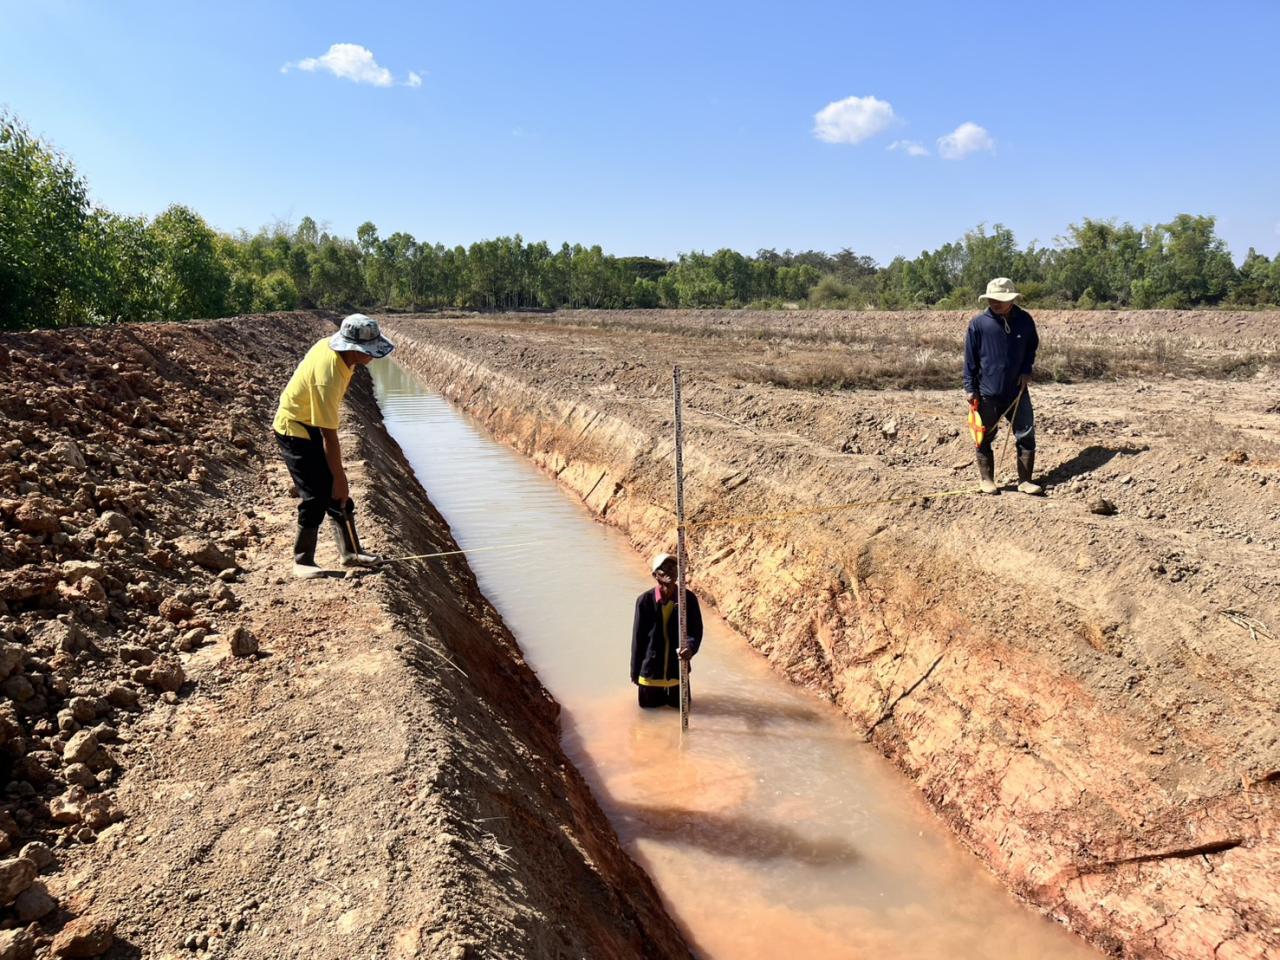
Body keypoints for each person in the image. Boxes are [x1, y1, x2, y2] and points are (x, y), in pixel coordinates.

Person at [272, 314, 395, 578]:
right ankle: (302, 560)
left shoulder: (341, 356)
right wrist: (340, 478)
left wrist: (338, 482)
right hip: (294, 426)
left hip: (310, 421)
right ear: (353, 349)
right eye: (368, 350)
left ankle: (350, 553)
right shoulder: (328, 376)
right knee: (317, 494)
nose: (372, 356)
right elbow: (329, 435)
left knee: (334, 492)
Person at [963, 278, 1043, 496]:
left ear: (1011, 300)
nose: (994, 303)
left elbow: (1031, 348)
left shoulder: (1025, 321)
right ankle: (987, 480)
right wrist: (970, 388)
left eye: (999, 299)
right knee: (984, 436)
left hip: (1017, 392)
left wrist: (1026, 370)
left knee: (1026, 434)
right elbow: (970, 360)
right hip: (986, 393)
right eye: (991, 299)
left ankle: (1025, 481)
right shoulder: (979, 324)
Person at [630, 553, 703, 708]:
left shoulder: (688, 599)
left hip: (678, 673)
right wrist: (635, 672)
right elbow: (638, 639)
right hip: (650, 675)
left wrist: (689, 647)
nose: (670, 571)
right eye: (664, 568)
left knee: (682, 711)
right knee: (648, 718)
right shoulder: (644, 601)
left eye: (673, 567)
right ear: (655, 575)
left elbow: (696, 630)